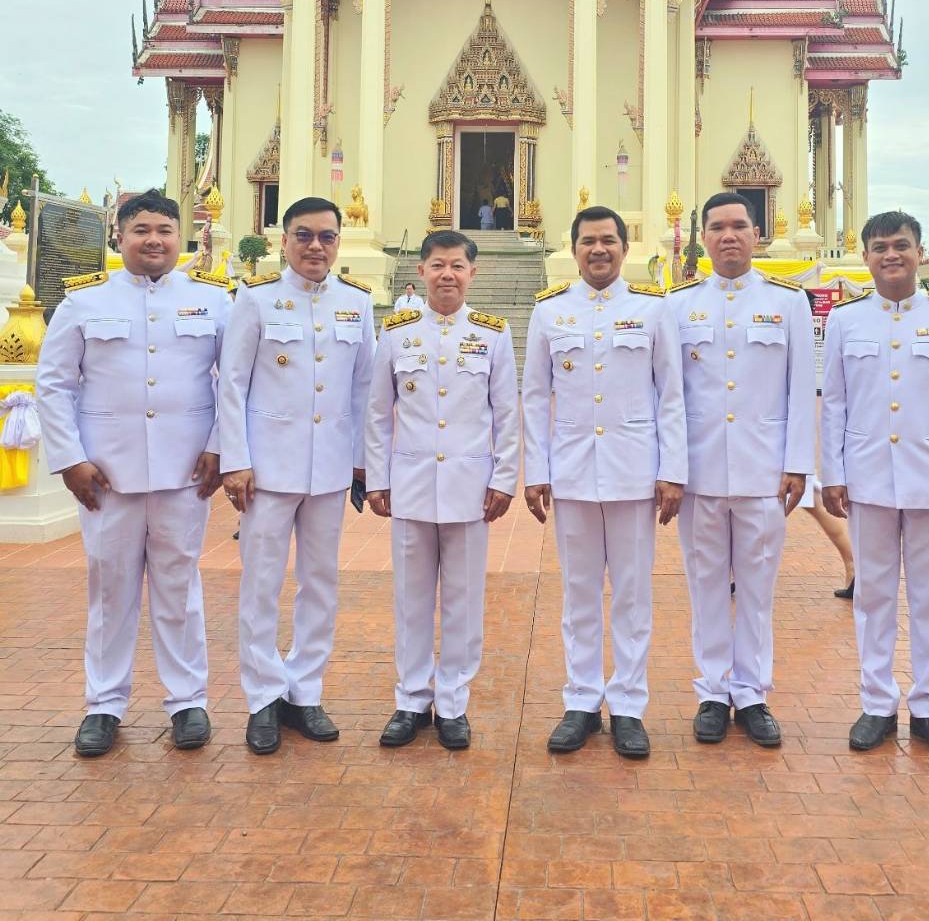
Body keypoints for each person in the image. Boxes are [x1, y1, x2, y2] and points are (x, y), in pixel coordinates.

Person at [35, 189, 230, 757]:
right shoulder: (83, 303)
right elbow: (55, 384)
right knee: (109, 592)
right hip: (106, 476)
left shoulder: (213, 300)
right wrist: (70, 459)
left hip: (184, 472)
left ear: (180, 237)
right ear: (119, 236)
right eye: (141, 229)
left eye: (165, 230)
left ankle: (187, 701)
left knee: (180, 590)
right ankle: (103, 705)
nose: (154, 240)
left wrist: (220, 447)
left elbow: (234, 383)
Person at [821, 210, 929, 760]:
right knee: (872, 596)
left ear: (919, 252)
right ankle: (876, 704)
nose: (890, 255)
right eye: (879, 247)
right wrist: (834, 473)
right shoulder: (846, 322)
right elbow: (836, 404)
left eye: (901, 245)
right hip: (867, 479)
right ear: (865, 257)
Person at [522, 205, 686, 759]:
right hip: (570, 473)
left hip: (635, 472)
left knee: (633, 597)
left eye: (609, 241)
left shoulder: (652, 311)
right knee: (580, 595)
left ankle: (630, 706)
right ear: (574, 249)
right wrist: (537, 471)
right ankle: (582, 701)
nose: (599, 250)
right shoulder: (549, 313)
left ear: (623, 248)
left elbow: (671, 397)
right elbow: (534, 398)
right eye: (589, 241)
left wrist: (672, 471)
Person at [218, 196, 375, 755]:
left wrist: (362, 461)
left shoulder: (358, 304)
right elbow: (231, 384)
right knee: (261, 585)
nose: (316, 246)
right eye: (304, 235)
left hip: (329, 468)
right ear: (284, 241)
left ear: (338, 242)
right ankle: (263, 696)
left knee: (320, 583)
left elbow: (364, 390)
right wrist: (234, 459)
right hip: (267, 469)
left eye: (327, 236)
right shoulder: (257, 300)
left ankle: (304, 691)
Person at [668, 193, 815, 749]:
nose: (728, 236)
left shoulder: (787, 303)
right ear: (702, 239)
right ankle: (711, 692)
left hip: (763, 472)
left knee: (756, 587)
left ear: (757, 235)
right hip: (700, 472)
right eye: (716, 228)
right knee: (705, 584)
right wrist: (672, 469)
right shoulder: (678, 306)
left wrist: (798, 463)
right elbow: (669, 395)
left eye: (738, 227)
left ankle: (751, 693)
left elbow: (802, 389)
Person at [366, 231, 520, 750]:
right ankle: (411, 699)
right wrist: (377, 480)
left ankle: (452, 701)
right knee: (411, 598)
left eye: (457, 265)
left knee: (462, 598)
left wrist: (503, 478)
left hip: (469, 487)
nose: (447, 274)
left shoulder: (493, 334)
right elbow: (376, 415)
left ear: (472, 273)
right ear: (422, 272)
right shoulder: (396, 332)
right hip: (409, 485)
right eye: (438, 265)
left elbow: (507, 416)